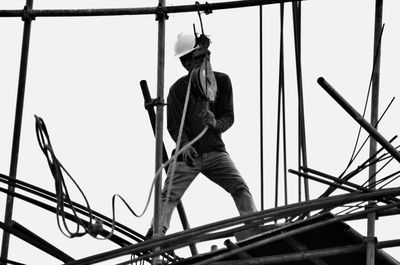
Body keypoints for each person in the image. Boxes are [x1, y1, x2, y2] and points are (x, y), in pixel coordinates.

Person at [145, 31, 257, 239]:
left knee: (240, 188)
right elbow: (174, 126)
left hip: (215, 151)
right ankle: (156, 234)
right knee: (168, 195)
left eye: (206, 56)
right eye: (197, 58)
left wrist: (216, 124)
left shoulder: (221, 81)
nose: (204, 61)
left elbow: (228, 116)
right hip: (188, 156)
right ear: (186, 63)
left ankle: (254, 228)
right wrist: (185, 145)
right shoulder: (178, 90)